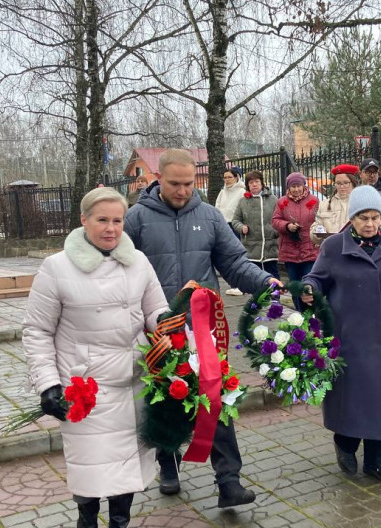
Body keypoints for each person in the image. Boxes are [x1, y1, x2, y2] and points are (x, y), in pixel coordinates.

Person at [124, 148, 280, 508]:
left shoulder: (209, 217)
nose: (183, 191)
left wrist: (264, 282)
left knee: (216, 400)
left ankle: (229, 481)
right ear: (158, 179)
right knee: (163, 398)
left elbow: (235, 262)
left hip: (202, 331)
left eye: (189, 183)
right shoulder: (136, 219)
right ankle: (168, 463)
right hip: (158, 333)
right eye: (175, 184)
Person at [23, 187, 170, 528]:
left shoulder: (138, 261)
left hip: (132, 382)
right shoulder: (57, 267)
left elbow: (154, 308)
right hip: (85, 389)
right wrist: (47, 384)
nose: (111, 229)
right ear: (83, 220)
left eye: (118, 221)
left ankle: (120, 522)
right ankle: (86, 520)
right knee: (90, 469)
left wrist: (166, 320)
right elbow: (37, 330)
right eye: (102, 220)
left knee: (126, 470)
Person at [300, 185, 381, 483]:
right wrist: (309, 289)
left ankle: (377, 460)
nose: (370, 224)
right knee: (352, 399)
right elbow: (316, 278)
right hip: (349, 338)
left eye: (375, 217)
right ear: (352, 218)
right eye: (363, 217)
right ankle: (345, 444)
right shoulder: (334, 247)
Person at [231, 170, 280, 279]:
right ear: (247, 185)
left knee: (273, 277)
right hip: (251, 248)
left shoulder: (273, 200)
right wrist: (241, 227)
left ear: (262, 183)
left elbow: (280, 218)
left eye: (257, 181)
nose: (254, 184)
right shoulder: (243, 201)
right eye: (251, 182)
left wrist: (275, 231)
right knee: (254, 278)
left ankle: (274, 291)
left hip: (270, 246)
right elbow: (235, 221)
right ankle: (258, 291)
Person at [272, 172, 320, 283]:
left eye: (299, 186)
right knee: (294, 284)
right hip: (289, 249)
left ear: (303, 186)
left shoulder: (314, 201)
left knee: (307, 282)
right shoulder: (282, 202)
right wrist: (287, 226)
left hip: (309, 248)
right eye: (293, 186)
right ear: (289, 187)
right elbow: (275, 220)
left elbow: (320, 220)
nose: (296, 189)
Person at [216, 166, 248, 295]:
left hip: (235, 225)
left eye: (230, 177)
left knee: (237, 256)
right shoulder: (222, 192)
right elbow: (217, 207)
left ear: (236, 177)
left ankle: (241, 286)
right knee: (226, 256)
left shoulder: (242, 192)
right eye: (225, 177)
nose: (227, 180)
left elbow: (244, 210)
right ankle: (234, 284)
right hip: (223, 225)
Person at [310, 165, 358, 244]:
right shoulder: (325, 204)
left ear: (353, 182)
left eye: (346, 183)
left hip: (355, 247)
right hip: (331, 248)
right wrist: (317, 232)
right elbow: (315, 228)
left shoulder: (361, 203)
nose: (342, 186)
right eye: (338, 183)